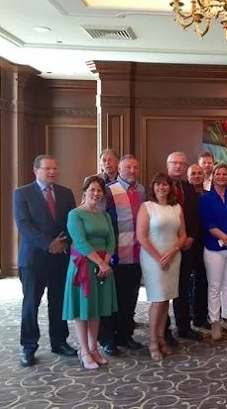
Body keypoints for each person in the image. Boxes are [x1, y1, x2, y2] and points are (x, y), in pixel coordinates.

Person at [13, 155, 77, 367]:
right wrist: (49, 244)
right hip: (33, 260)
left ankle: (59, 342)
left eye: (55, 168)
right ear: (36, 170)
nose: (52, 172)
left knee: (58, 302)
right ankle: (29, 347)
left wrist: (63, 243)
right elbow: (24, 225)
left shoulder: (65, 193)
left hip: (60, 258)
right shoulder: (22, 193)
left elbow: (72, 222)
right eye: (47, 168)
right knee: (31, 304)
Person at [62, 176, 117, 369]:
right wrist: (101, 263)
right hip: (83, 265)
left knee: (97, 308)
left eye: (99, 191)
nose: (96, 193)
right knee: (83, 309)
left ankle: (94, 349)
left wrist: (106, 261)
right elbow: (80, 242)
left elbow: (111, 240)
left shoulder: (105, 215)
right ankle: (84, 350)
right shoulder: (75, 214)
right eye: (92, 189)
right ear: (85, 191)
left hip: (103, 265)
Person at [99, 154, 145, 356]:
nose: (132, 171)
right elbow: (101, 221)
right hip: (115, 255)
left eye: (135, 167)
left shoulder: (142, 191)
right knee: (111, 300)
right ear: (119, 169)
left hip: (136, 255)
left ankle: (126, 335)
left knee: (130, 299)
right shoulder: (109, 191)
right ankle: (109, 339)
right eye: (128, 168)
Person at [137, 173, 187, 360]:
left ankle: (161, 338)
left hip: (173, 257)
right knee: (157, 299)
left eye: (165, 185)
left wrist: (173, 252)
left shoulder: (176, 208)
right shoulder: (147, 207)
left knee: (167, 299)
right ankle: (152, 340)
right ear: (153, 187)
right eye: (158, 185)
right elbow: (142, 237)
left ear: (170, 187)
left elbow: (183, 235)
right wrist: (159, 258)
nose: (161, 188)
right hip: (153, 258)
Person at [199, 163, 227, 340]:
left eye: (225, 174)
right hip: (214, 248)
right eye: (218, 174)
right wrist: (224, 237)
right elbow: (207, 222)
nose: (222, 176)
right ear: (213, 176)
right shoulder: (206, 198)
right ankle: (215, 321)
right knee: (215, 286)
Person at [163, 152, 201, 345]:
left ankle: (184, 327)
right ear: (168, 165)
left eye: (181, 164)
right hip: (166, 247)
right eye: (174, 163)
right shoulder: (161, 186)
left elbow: (194, 216)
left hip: (186, 247)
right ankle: (164, 330)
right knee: (164, 290)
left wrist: (191, 237)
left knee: (183, 287)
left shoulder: (188, 188)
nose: (178, 166)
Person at [186, 163, 210, 330]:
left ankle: (200, 317)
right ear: (188, 177)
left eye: (199, 173)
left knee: (202, 281)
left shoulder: (209, 196)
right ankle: (186, 316)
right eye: (193, 174)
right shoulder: (181, 196)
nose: (196, 176)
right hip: (187, 243)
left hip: (206, 243)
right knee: (186, 282)